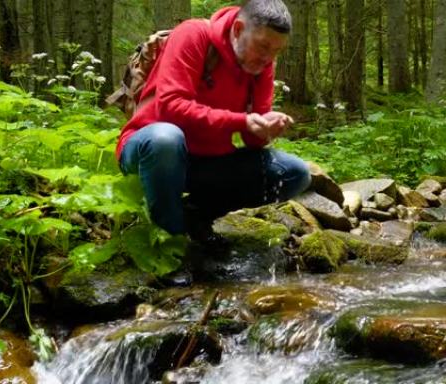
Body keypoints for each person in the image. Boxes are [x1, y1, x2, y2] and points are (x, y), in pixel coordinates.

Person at [116, 0, 311, 237]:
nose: (268, 58)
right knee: (166, 139)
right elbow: (170, 108)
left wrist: (265, 129)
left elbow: (252, 142)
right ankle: (171, 241)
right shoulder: (193, 35)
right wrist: (242, 120)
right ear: (238, 30)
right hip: (152, 153)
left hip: (207, 162)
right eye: (263, 46)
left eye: (276, 51)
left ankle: (195, 217)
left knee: (295, 173)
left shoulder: (262, 65)